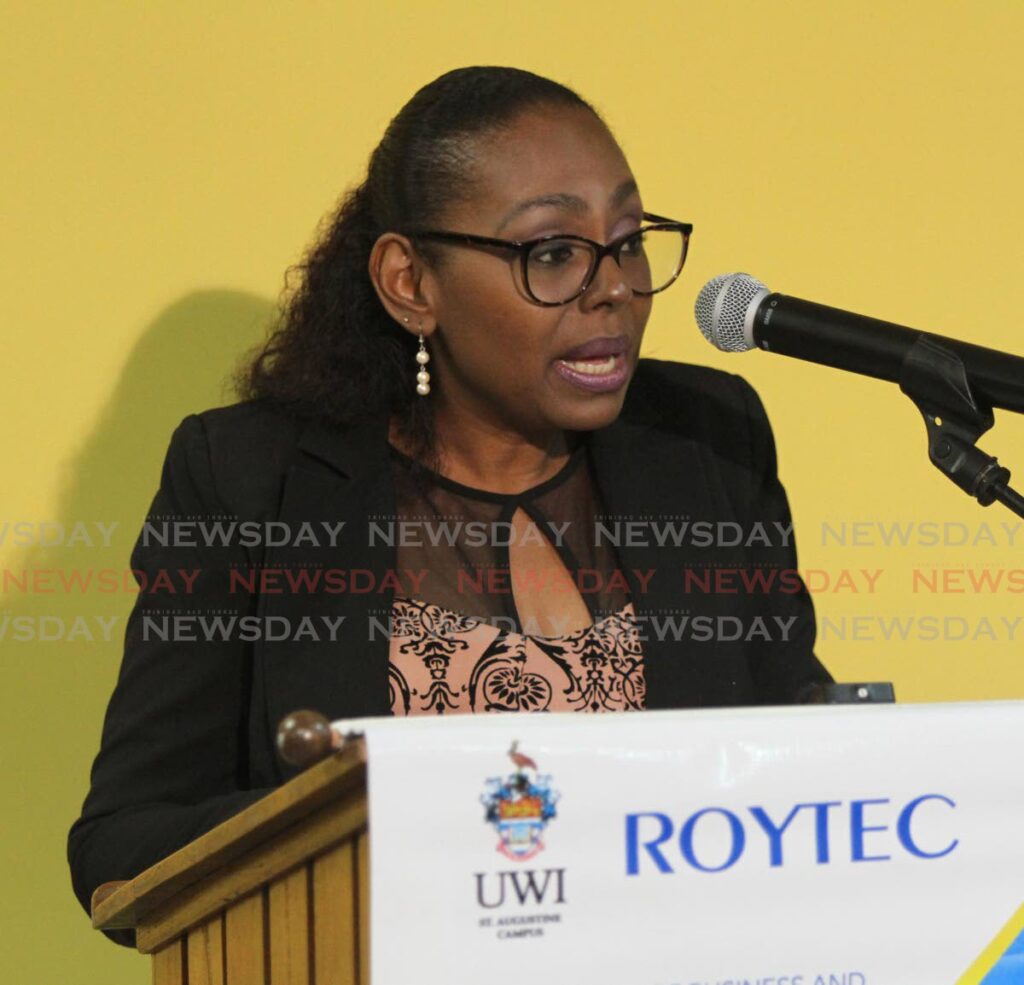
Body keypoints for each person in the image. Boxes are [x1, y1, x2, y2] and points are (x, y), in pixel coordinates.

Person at [68, 65, 832, 945]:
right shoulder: (249, 482)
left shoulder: (708, 444)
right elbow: (121, 843)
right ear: (410, 283)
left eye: (627, 239)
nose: (615, 285)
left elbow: (802, 772)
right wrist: (385, 815)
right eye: (552, 253)